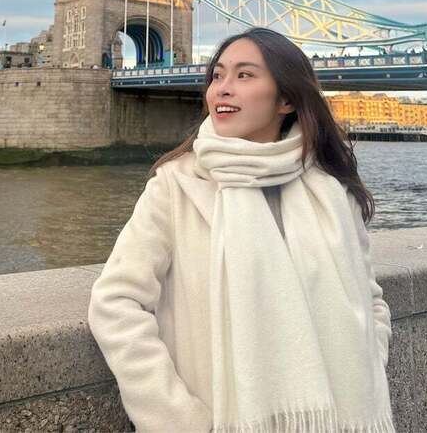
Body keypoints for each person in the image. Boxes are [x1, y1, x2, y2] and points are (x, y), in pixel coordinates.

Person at [87, 27, 395, 433]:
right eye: (217, 76)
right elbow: (116, 304)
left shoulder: (333, 193)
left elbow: (370, 299)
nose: (222, 90)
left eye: (244, 76)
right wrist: (181, 422)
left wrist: (366, 368)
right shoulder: (175, 185)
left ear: (286, 98)